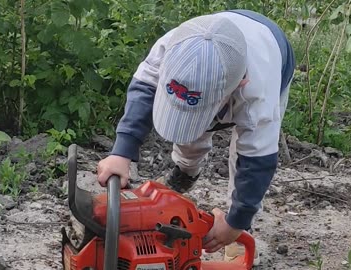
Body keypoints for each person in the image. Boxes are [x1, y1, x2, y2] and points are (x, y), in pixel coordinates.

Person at [96, 9, 295, 266]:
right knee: (189, 124)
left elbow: (257, 161)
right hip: (217, 40)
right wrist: (121, 151)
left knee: (241, 155)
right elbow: (144, 88)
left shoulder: (258, 97)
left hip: (273, 53)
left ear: (238, 86)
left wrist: (236, 221)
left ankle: (244, 231)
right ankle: (186, 171)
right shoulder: (173, 46)